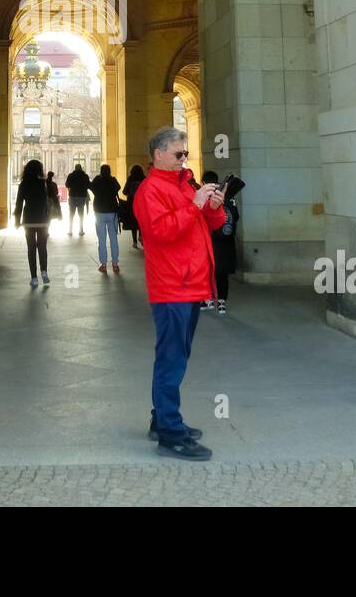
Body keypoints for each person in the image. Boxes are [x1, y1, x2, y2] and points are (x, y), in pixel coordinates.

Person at [133, 127, 226, 460]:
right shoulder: (150, 190)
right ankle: (171, 432)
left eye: (185, 153)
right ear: (158, 154)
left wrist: (214, 205)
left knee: (175, 357)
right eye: (178, 154)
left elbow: (212, 223)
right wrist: (194, 206)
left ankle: (162, 420)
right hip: (172, 285)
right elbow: (159, 233)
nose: (184, 158)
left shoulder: (185, 183)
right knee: (172, 360)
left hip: (191, 284)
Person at [200, 170, 239, 314]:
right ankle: (222, 302)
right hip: (227, 241)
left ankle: (208, 299)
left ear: (204, 182)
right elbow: (236, 216)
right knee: (222, 273)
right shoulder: (227, 194)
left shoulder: (205, 195)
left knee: (208, 271)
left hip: (210, 240)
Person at [13, 159, 51, 288]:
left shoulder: (23, 184)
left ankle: (34, 278)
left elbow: (19, 204)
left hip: (29, 220)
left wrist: (17, 221)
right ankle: (44, 271)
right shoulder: (43, 184)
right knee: (42, 247)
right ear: (40, 170)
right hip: (42, 220)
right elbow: (47, 203)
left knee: (31, 248)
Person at [88, 163, 123, 274]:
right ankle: (115, 264)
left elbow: (91, 187)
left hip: (99, 212)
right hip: (112, 212)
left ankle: (103, 265)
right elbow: (118, 188)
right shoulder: (113, 180)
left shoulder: (98, 180)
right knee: (113, 239)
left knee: (102, 239)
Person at [122, 164, 146, 248]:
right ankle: (141, 237)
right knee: (141, 222)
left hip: (132, 204)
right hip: (143, 204)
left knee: (133, 222)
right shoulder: (144, 178)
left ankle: (134, 241)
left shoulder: (130, 179)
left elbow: (124, 191)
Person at [65, 163, 91, 236]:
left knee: (71, 214)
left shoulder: (71, 175)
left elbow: (67, 184)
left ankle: (70, 231)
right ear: (81, 168)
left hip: (72, 196)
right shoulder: (85, 176)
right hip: (82, 197)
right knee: (81, 214)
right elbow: (88, 185)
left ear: (75, 168)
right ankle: (81, 230)